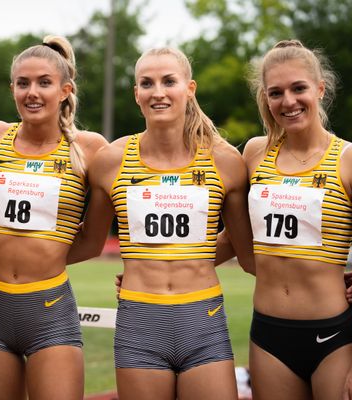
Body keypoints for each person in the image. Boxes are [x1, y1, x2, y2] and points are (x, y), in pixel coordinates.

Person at [67, 47, 256, 400]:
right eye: (147, 83)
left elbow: (244, 250)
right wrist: (2, 257)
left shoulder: (226, 161)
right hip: (139, 322)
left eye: (169, 81)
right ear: (136, 94)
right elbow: (89, 243)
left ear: (189, 89)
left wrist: (326, 280)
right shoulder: (110, 161)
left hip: (203, 319)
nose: (158, 91)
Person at [243, 39, 352, 399]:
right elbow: (236, 237)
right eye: (276, 92)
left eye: (298, 88)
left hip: (333, 337)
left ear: (320, 88)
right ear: (265, 97)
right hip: (268, 337)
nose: (288, 101)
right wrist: (153, 268)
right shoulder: (254, 154)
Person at [0, 36, 107, 400]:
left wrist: (44, 254)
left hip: (49, 309)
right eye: (23, 83)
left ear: (64, 90)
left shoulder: (89, 148)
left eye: (44, 82)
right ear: (12, 88)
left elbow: (92, 242)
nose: (33, 92)